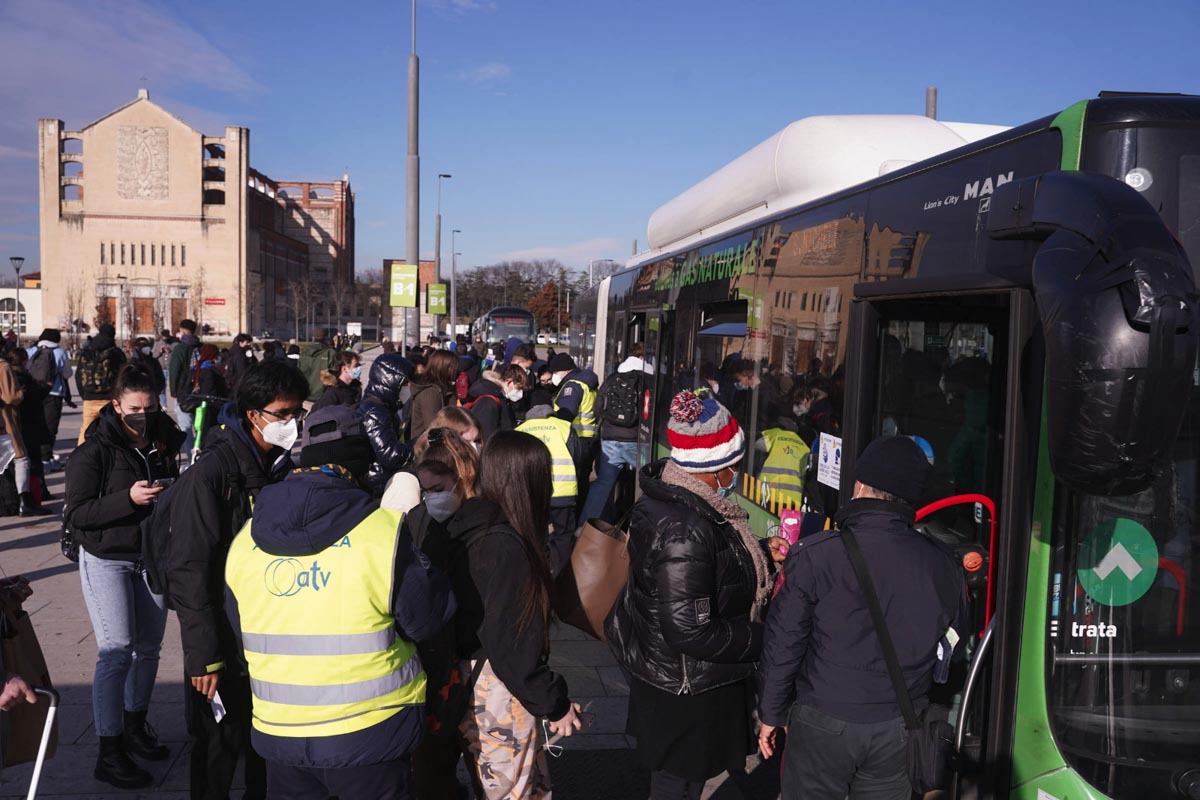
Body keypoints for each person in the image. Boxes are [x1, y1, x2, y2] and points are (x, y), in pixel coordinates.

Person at [225, 406, 455, 800]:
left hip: (281, 734)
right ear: (361, 463)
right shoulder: (382, 533)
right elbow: (428, 617)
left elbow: (239, 629)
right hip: (372, 734)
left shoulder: (245, 539)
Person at [757, 435, 970, 800]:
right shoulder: (942, 563)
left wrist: (771, 713)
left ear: (859, 487)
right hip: (900, 724)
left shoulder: (817, 555)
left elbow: (783, 642)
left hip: (822, 719)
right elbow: (953, 642)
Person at [606, 390, 773, 799]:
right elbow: (689, 631)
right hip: (687, 686)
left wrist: (763, 555)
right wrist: (766, 638)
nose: (736, 471)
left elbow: (704, 576)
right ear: (712, 467)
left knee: (680, 780)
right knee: (678, 783)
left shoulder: (681, 503)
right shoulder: (687, 527)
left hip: (681, 677)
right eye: (732, 463)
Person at [164, 360, 312, 800]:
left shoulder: (278, 465)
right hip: (222, 641)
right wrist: (203, 657)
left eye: (296, 414)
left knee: (264, 746)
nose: (291, 424)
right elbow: (188, 571)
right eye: (283, 414)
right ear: (254, 415)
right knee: (218, 748)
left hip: (265, 635)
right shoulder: (211, 474)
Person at [65, 365, 184, 788]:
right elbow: (77, 513)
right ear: (117, 406)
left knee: (149, 648)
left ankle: (135, 727)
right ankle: (109, 749)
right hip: (106, 557)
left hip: (151, 555)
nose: (143, 416)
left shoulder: (164, 437)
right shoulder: (95, 450)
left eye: (150, 408)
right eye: (134, 408)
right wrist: (127, 499)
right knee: (116, 651)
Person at [447, 431, 582, 798]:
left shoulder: (471, 525)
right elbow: (513, 646)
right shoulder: (507, 547)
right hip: (498, 696)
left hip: (471, 684)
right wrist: (554, 703)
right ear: (528, 482)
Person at [579, 344, 648, 526]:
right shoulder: (647, 380)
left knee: (602, 484)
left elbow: (598, 407)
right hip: (635, 441)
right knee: (650, 482)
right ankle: (640, 527)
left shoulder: (612, 378)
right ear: (643, 358)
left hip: (610, 440)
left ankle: (584, 528)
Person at [515, 405, 580, 572]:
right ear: (552, 415)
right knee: (563, 535)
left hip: (531, 492)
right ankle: (561, 574)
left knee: (536, 534)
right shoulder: (564, 427)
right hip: (563, 490)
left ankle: (540, 572)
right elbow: (578, 456)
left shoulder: (519, 430)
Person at [361, 353, 416, 497]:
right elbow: (391, 455)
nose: (408, 387)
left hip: (380, 483)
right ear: (390, 381)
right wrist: (421, 442)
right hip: (376, 487)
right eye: (405, 383)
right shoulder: (375, 412)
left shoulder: (383, 408)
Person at [4, 349, 51, 514]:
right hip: (8, 419)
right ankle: (25, 501)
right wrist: (21, 393)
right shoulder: (3, 367)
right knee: (21, 458)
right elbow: (11, 397)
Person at [26, 327, 72, 467]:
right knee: (50, 427)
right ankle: (46, 458)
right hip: (53, 393)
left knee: (33, 425)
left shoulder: (31, 351)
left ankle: (34, 456)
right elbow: (67, 374)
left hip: (32, 394)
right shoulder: (60, 352)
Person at [76, 323, 127, 444]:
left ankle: (81, 457)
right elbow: (123, 374)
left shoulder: (87, 351)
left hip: (89, 397)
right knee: (113, 428)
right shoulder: (115, 352)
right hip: (110, 398)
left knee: (86, 428)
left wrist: (84, 395)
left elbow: (79, 375)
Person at [466, 364, 527, 442]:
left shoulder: (500, 398)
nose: (520, 393)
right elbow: (486, 437)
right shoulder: (489, 401)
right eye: (519, 388)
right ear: (509, 382)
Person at [407, 350, 458, 443]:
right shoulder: (431, 392)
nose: (455, 371)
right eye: (452, 367)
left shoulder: (442, 389)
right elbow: (433, 427)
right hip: (429, 451)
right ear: (443, 367)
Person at [168, 319, 201, 458]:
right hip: (200, 392)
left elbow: (174, 370)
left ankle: (190, 457)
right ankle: (201, 453)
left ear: (182, 330)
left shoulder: (179, 349)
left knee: (185, 427)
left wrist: (174, 391)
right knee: (200, 426)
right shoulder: (200, 347)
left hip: (183, 393)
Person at [298, 327, 336, 406]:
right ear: (326, 337)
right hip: (323, 397)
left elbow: (299, 371)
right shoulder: (330, 353)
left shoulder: (304, 352)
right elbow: (334, 375)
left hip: (305, 395)